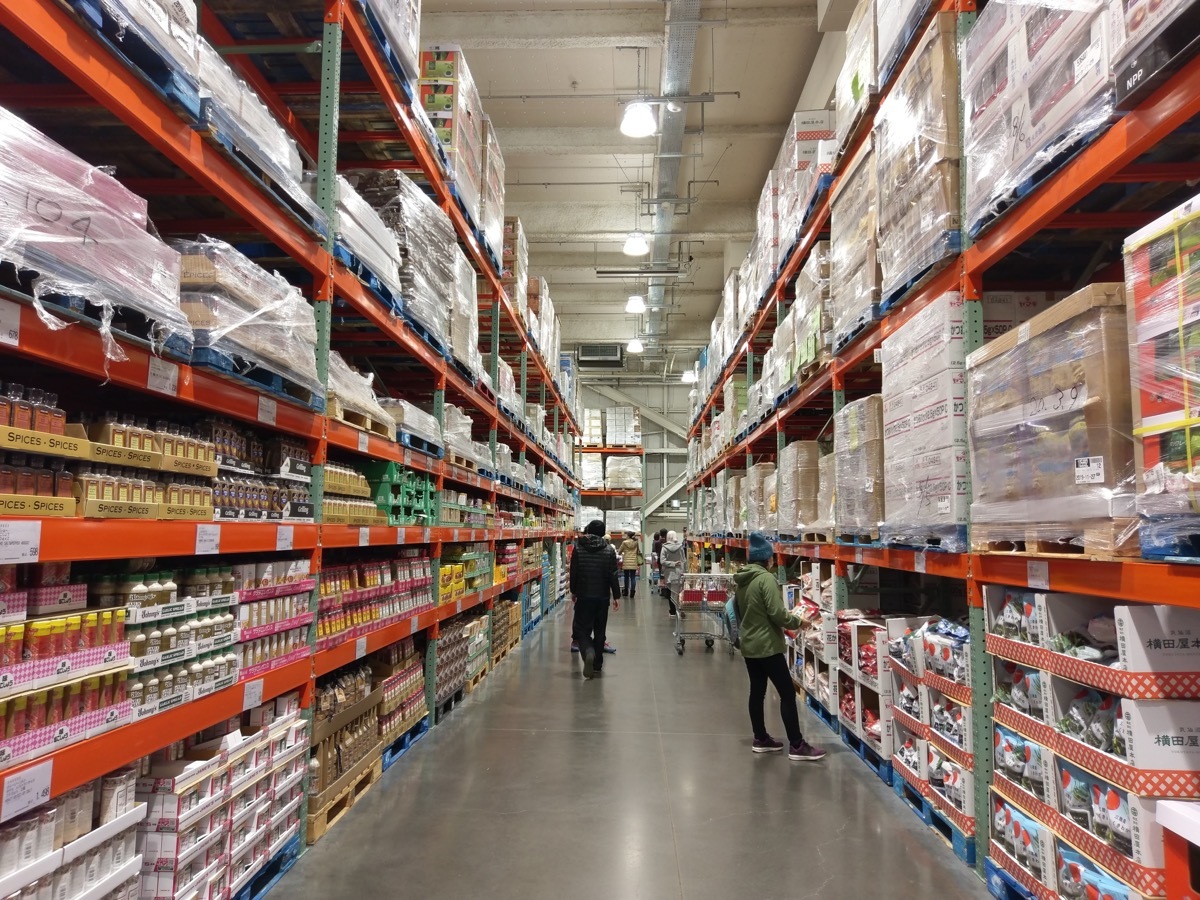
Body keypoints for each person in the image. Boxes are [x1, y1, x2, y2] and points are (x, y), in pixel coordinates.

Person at [733, 533, 826, 761]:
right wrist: (798, 622)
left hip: (750, 644)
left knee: (757, 692)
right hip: (767, 646)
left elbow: (746, 611)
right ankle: (797, 744)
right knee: (787, 693)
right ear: (767, 558)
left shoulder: (742, 580)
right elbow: (776, 613)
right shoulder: (766, 579)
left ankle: (760, 738)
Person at [569, 519, 621, 679]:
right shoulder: (609, 550)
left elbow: (574, 572)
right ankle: (597, 665)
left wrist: (573, 591)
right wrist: (616, 596)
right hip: (602, 597)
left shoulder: (578, 548)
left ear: (589, 531)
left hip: (584, 596)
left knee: (582, 630)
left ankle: (588, 652)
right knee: (600, 630)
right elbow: (613, 575)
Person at [659, 530, 685, 616]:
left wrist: (672, 563)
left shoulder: (664, 547)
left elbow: (662, 561)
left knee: (671, 592)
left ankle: (673, 611)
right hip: (679, 572)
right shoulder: (680, 547)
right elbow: (684, 560)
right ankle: (680, 609)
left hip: (669, 573)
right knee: (678, 592)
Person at [619, 531, 641, 597]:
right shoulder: (636, 542)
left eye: (626, 535)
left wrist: (623, 552)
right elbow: (638, 551)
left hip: (626, 561)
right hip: (633, 561)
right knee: (633, 577)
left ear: (628, 536)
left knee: (626, 577)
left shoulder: (624, 542)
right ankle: (632, 593)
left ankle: (626, 592)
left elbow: (619, 552)